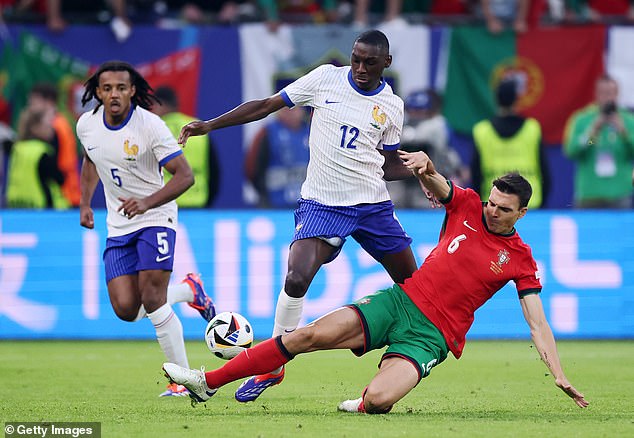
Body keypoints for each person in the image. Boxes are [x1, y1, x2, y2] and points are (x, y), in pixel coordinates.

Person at [162, 151, 589, 413]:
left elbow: (537, 323)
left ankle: (366, 400)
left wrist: (558, 372)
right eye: (493, 203)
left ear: (522, 214)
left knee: (381, 401)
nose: (493, 212)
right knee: (306, 335)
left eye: (503, 209)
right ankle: (206, 382)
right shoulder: (469, 207)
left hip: (432, 337)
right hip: (399, 302)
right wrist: (425, 168)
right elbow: (440, 186)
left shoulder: (520, 260)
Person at [178, 29, 418, 402]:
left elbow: (385, 164)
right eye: (355, 58)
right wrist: (210, 125)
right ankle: (272, 365)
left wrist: (427, 174)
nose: (359, 68)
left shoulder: (391, 106)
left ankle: (409, 354)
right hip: (322, 203)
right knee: (296, 275)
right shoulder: (325, 78)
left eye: (370, 62)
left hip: (372, 206)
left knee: (414, 284)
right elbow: (265, 105)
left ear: (386, 63)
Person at [76, 60, 216, 397]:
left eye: (121, 88)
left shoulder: (150, 126)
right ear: (97, 92)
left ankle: (185, 383)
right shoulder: (86, 125)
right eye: (107, 88)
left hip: (156, 218)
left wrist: (147, 202)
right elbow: (91, 159)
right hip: (118, 224)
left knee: (152, 299)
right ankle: (188, 291)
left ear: (132, 91)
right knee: (126, 309)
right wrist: (84, 203)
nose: (114, 94)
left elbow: (185, 176)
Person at [472, 78, 549, 209]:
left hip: (494, 205)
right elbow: (545, 172)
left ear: (496, 100)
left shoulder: (481, 130)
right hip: (530, 203)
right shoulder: (532, 128)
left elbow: (476, 175)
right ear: (516, 100)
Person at [387, 88, 468, 209]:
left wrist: (457, 170)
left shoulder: (437, 125)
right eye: (412, 110)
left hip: (427, 185)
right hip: (400, 186)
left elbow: (446, 154)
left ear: (429, 111)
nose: (416, 114)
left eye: (420, 110)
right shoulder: (397, 123)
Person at [563, 75, 634, 209]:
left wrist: (624, 133)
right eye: (603, 93)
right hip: (590, 194)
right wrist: (593, 133)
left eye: (610, 93)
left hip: (620, 193)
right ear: (596, 94)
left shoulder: (628, 120)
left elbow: (632, 152)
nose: (607, 97)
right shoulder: (582, 119)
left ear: (617, 94)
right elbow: (572, 151)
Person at [152, 86, 220, 208]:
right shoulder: (197, 127)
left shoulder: (153, 129)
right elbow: (214, 172)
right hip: (197, 203)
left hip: (163, 204)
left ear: (159, 104)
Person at [244, 105, 310, 208]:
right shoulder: (267, 132)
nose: (291, 113)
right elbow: (252, 168)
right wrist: (264, 196)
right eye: (286, 110)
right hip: (274, 205)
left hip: (307, 207)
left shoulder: (313, 132)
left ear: (302, 111)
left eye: (294, 109)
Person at [27, 82, 81, 207]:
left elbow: (54, 165)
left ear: (49, 102)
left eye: (34, 102)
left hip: (63, 197)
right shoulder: (57, 123)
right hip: (61, 195)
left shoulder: (55, 126)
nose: (30, 106)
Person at [5, 107, 67, 208]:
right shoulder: (42, 152)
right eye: (47, 125)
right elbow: (59, 179)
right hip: (40, 207)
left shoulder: (17, 148)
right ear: (35, 128)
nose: (51, 129)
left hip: (16, 204)